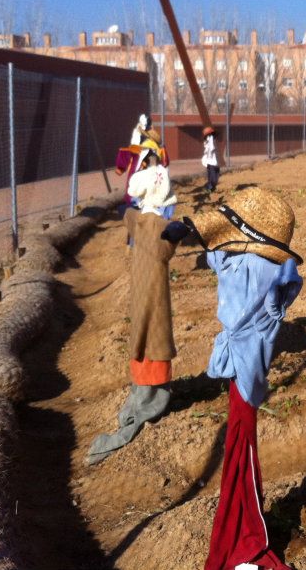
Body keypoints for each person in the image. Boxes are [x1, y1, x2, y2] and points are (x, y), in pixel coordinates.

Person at [187, 187, 303, 570]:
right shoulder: (255, 265)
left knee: (242, 455)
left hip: (246, 373)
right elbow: (220, 255)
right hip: (241, 371)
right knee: (239, 451)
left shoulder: (263, 270)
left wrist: (204, 231)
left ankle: (246, 541)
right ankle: (239, 536)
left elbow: (218, 255)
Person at [86, 170, 186, 465]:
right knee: (155, 340)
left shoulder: (137, 218)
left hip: (140, 297)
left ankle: (142, 395)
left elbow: (127, 213)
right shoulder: (158, 227)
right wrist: (177, 233)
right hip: (154, 299)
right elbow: (163, 248)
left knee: (143, 340)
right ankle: (152, 402)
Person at [202, 126, 220, 192]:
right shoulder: (209, 140)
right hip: (211, 163)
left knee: (215, 178)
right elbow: (211, 148)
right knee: (213, 179)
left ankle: (211, 188)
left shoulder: (212, 140)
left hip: (215, 162)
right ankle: (208, 187)